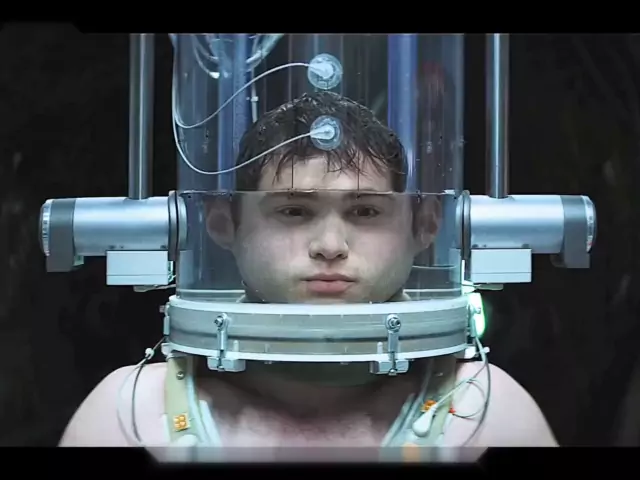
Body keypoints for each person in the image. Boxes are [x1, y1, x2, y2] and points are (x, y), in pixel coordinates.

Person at [59, 92, 556, 458]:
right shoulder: (132, 417)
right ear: (223, 223)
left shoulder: (483, 416)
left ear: (423, 225)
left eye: (365, 211)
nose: (330, 246)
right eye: (293, 211)